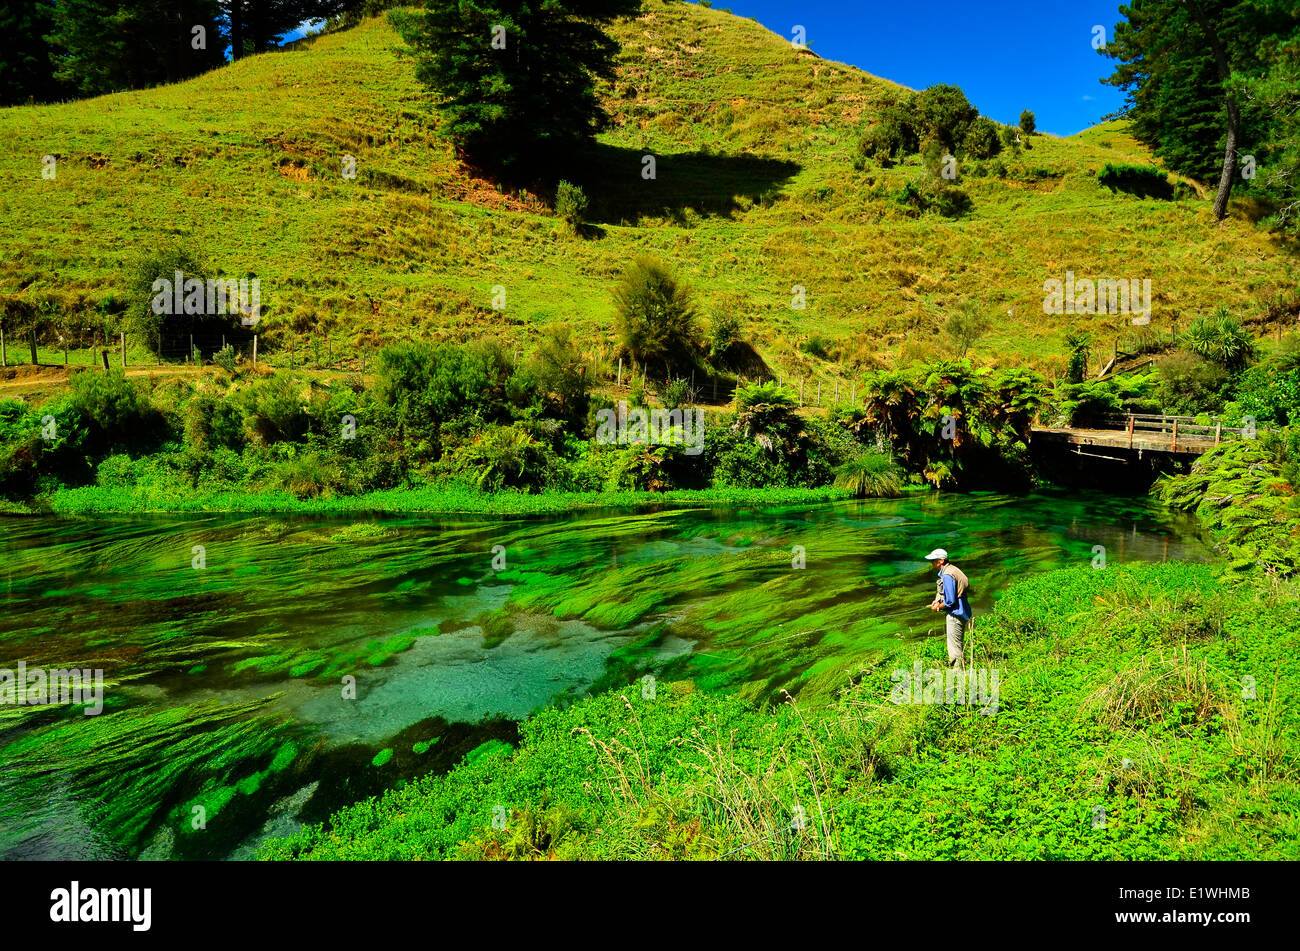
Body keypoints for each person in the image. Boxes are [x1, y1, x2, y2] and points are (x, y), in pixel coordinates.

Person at [925, 548, 972, 668]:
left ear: (941, 561)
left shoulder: (947, 575)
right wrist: (937, 601)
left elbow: (950, 601)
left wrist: (938, 608)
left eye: (934, 560)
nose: (932, 563)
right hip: (963, 610)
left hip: (955, 614)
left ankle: (958, 675)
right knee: (958, 643)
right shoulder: (953, 569)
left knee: (954, 647)